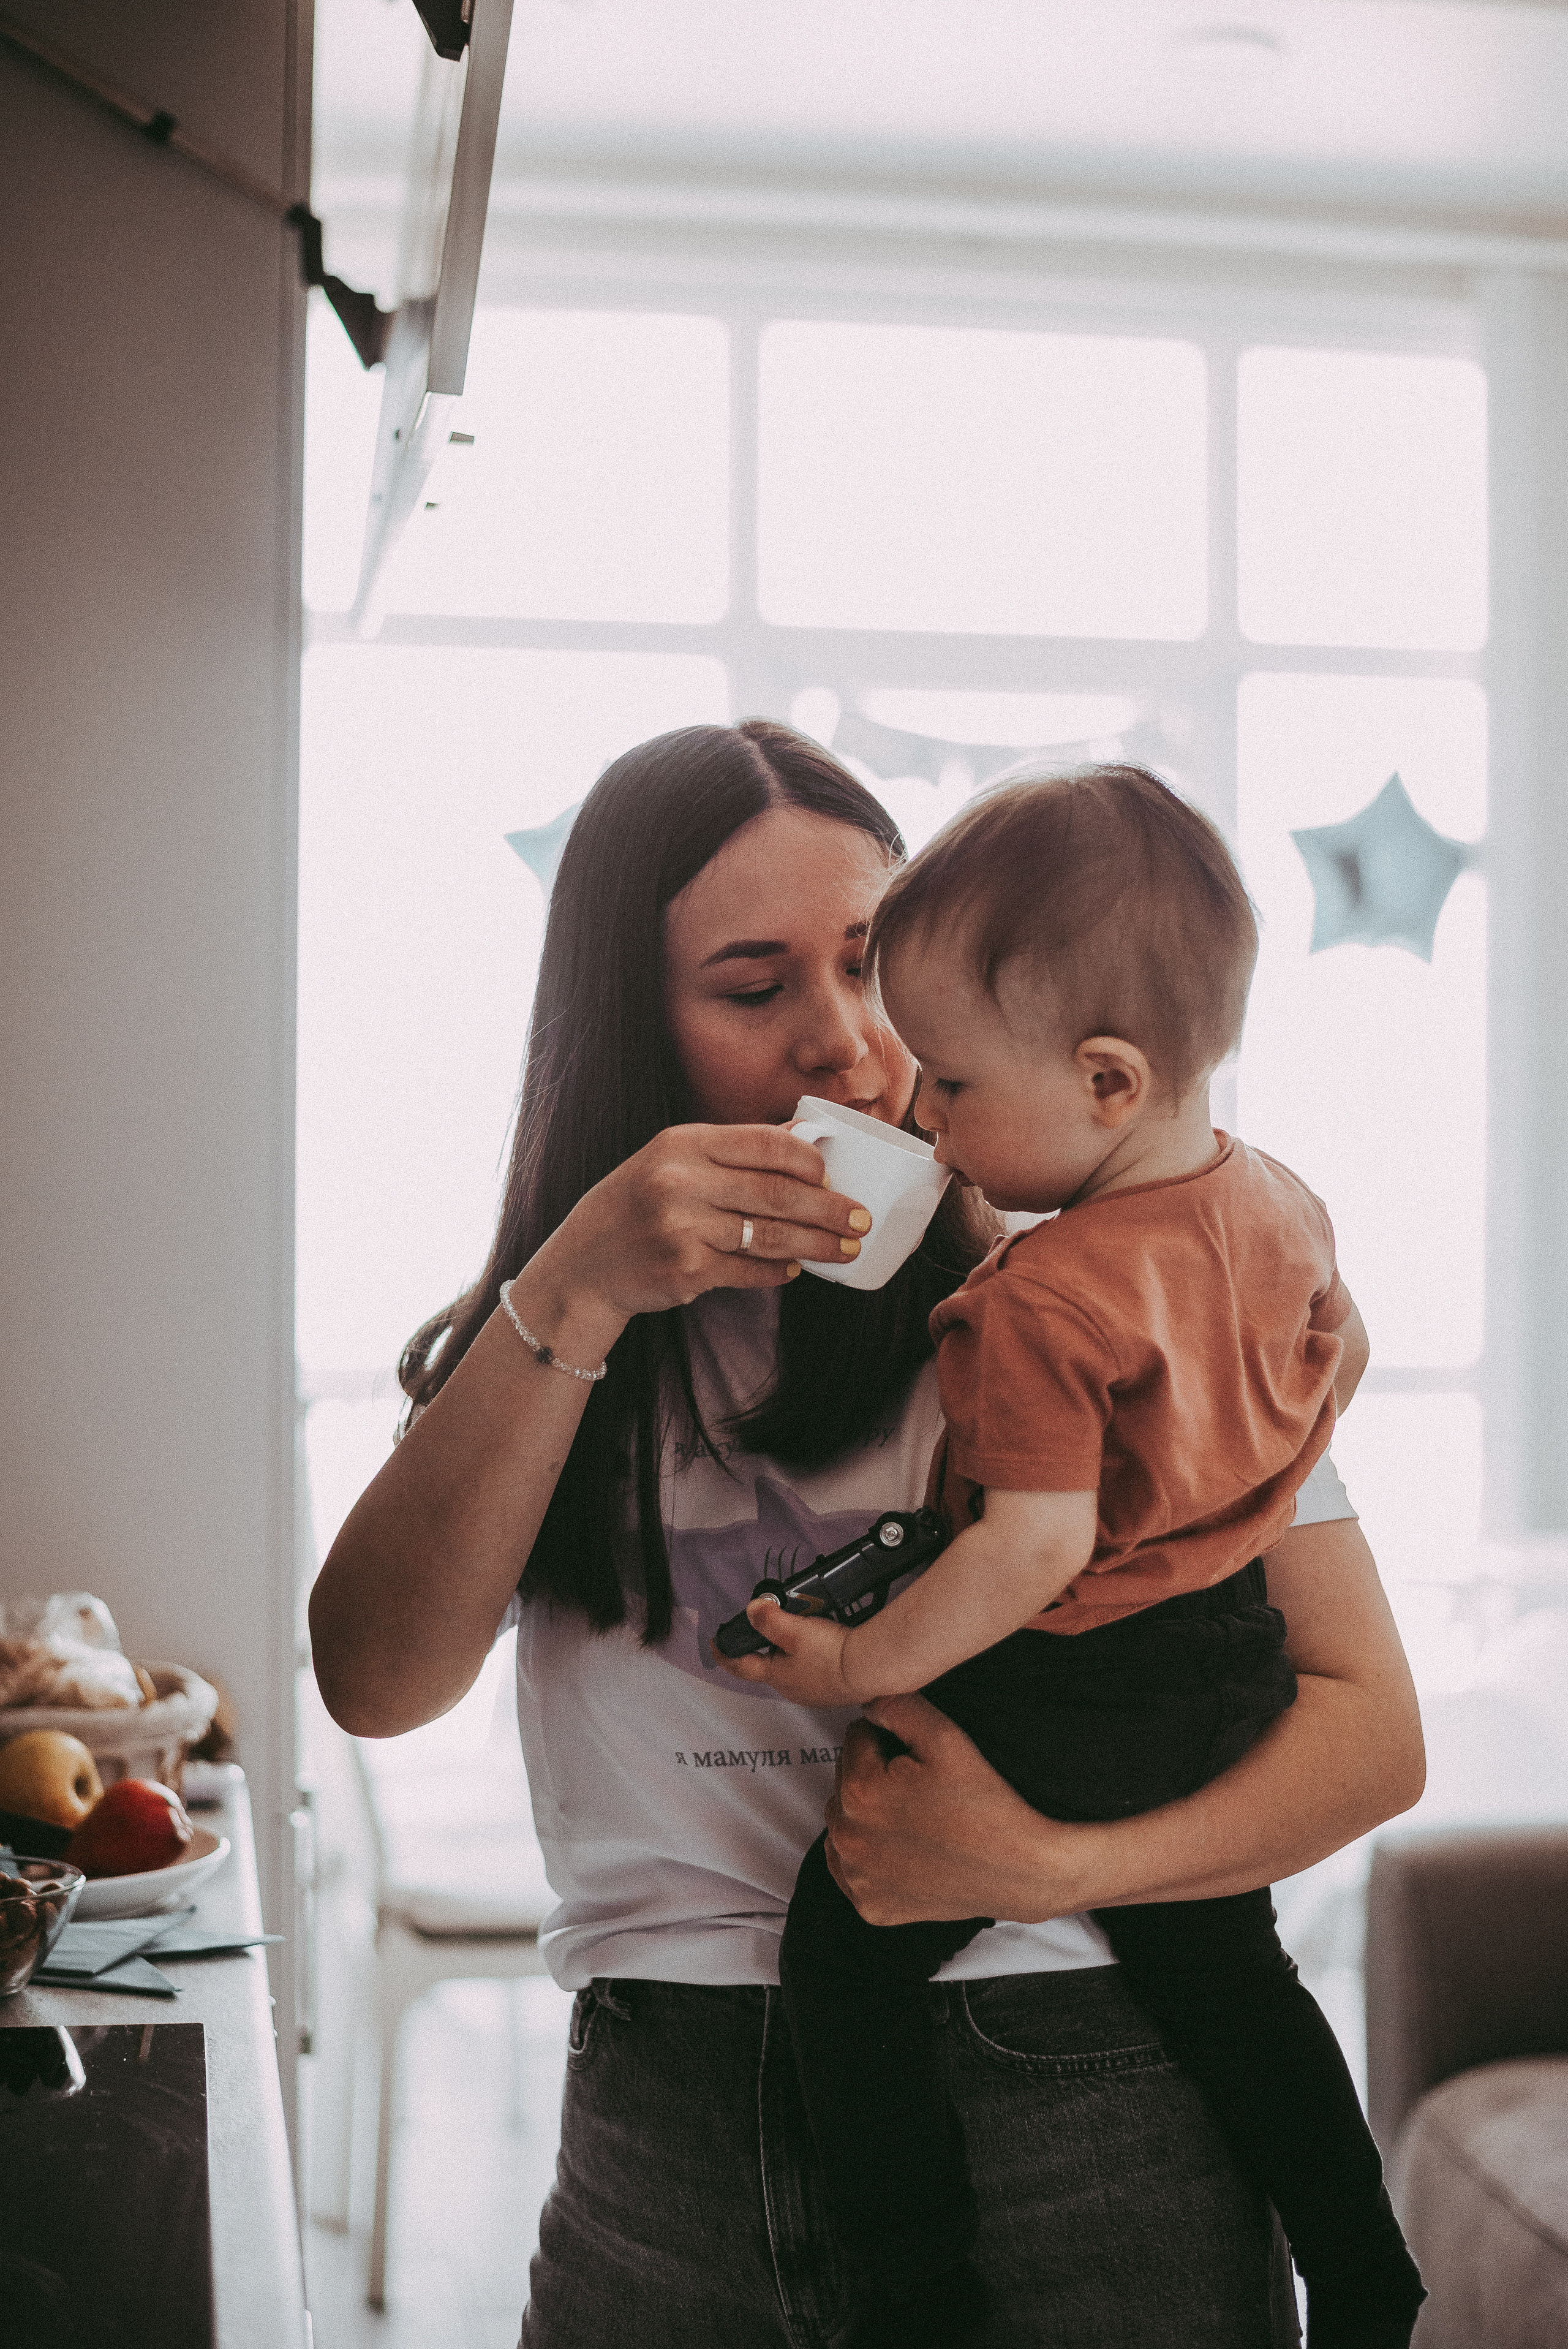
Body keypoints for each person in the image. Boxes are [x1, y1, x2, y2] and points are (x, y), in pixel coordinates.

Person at [307, 721, 1427, 2349]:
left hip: (1081, 2086)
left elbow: (1373, 1737)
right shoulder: (556, 1346)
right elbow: (374, 1679)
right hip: (665, 2126)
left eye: (871, 968)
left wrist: (1054, 1863)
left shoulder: (1119, 1295)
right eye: (755, 989)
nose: (846, 1044)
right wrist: (574, 1287)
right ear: (634, 1028)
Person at [718, 768, 1423, 2349]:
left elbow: (1026, 1555)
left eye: (954, 1085)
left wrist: (855, 1663)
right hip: (1228, 1659)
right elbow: (1335, 1362)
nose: (922, 1112)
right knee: (1233, 1976)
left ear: (1108, 1078)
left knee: (848, 1952)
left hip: (1082, 1680)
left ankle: (913, 2294)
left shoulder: (1040, 1300)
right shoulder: (1275, 1195)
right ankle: (1366, 2266)